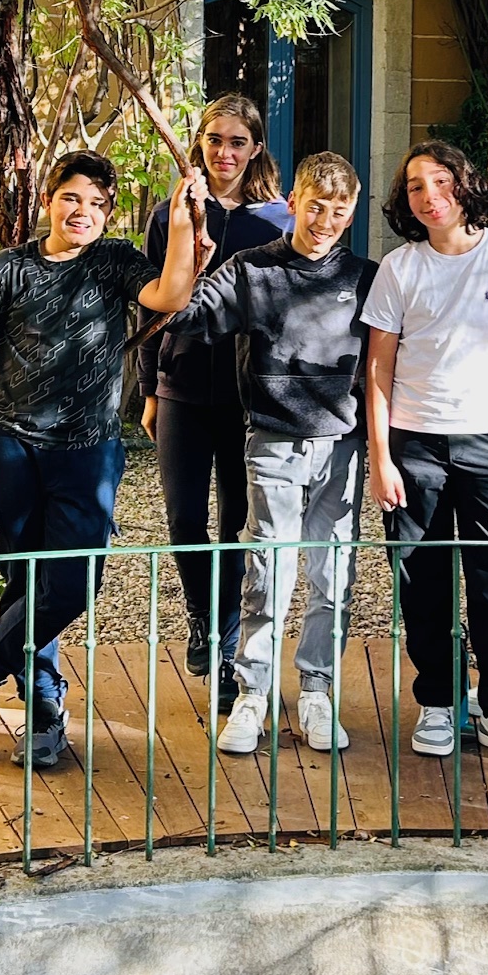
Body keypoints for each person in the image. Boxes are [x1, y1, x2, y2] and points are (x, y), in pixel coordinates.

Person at [0, 150, 211, 765]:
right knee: (25, 578)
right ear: (48, 201)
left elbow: (170, 293)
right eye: (71, 198)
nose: (82, 212)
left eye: (96, 203)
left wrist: (181, 218)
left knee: (74, 581)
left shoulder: (113, 262)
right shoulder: (7, 268)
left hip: (87, 451)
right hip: (10, 444)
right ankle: (41, 706)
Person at [161, 150, 377, 755]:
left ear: (352, 211)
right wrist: (187, 237)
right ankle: (253, 693)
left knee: (331, 573)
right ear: (293, 204)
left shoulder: (365, 276)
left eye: (339, 210)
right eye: (316, 207)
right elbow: (184, 313)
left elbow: (393, 361)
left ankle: (316, 690)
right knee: (268, 569)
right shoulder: (251, 270)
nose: (326, 220)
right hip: (272, 438)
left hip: (341, 444)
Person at [364, 140, 488, 766]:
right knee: (422, 580)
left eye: (441, 181)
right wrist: (382, 457)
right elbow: (378, 369)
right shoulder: (399, 268)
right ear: (406, 202)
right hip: (416, 445)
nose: (430, 196)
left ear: (464, 184)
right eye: (417, 186)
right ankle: (440, 703)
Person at [139, 93, 293, 710]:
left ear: (255, 147)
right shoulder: (174, 213)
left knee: (237, 523)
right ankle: (201, 616)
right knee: (183, 518)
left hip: (244, 394)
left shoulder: (278, 220)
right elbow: (151, 304)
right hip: (181, 386)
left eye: (237, 142)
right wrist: (150, 388)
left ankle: (228, 647)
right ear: (199, 145)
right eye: (213, 140)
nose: (224, 153)